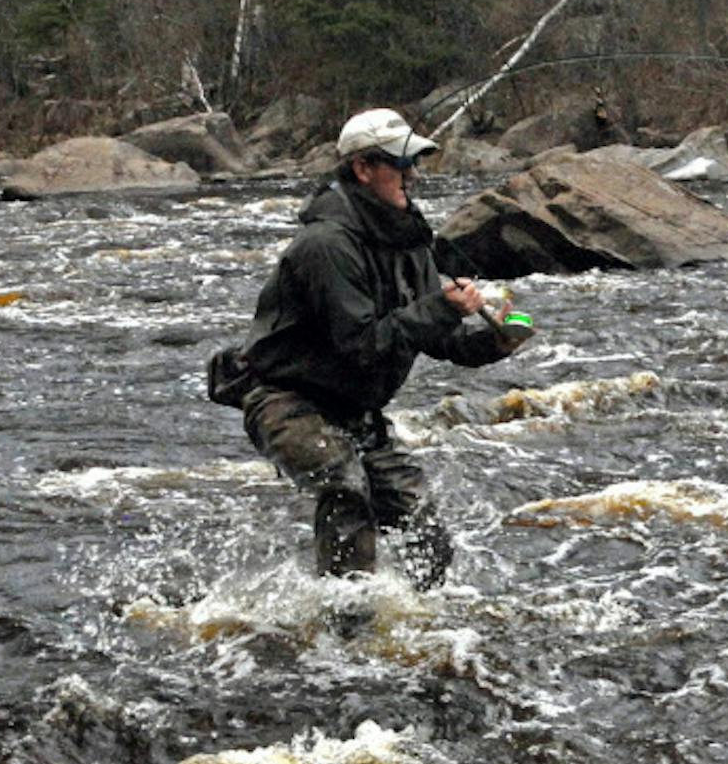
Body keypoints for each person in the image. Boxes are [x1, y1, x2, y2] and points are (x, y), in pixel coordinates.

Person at [222, 107, 524, 586]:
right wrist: (443, 308)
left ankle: (423, 624)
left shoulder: (409, 240)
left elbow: (439, 337)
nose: (412, 175)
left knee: (422, 524)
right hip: (286, 402)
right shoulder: (325, 245)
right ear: (363, 169)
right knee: (344, 486)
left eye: (414, 163)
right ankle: (349, 627)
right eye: (400, 164)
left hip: (355, 412)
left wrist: (498, 338)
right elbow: (361, 344)